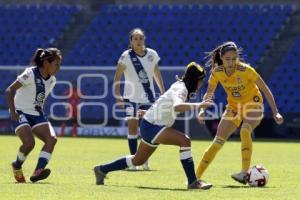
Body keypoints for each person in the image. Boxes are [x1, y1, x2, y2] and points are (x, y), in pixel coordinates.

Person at [94, 62, 213, 189]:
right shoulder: (182, 89)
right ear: (195, 80)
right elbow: (176, 106)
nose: (201, 84)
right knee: (185, 141)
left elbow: (163, 101)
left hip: (150, 124)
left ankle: (101, 169)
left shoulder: (179, 86)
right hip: (153, 126)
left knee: (137, 160)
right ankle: (193, 181)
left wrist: (150, 112)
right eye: (201, 80)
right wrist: (199, 105)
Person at [196, 41, 284, 185]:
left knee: (245, 130)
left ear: (237, 57)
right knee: (217, 142)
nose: (231, 62)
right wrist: (202, 110)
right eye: (227, 59)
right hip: (234, 107)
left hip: (253, 105)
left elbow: (266, 89)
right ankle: (195, 178)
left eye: (234, 58)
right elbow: (209, 93)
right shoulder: (217, 73)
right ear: (221, 58)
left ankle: (244, 173)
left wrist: (276, 112)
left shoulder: (246, 70)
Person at [5, 48, 62, 183]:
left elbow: (42, 98)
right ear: (47, 63)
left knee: (52, 139)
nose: (58, 68)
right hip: (20, 111)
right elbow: (9, 90)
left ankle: (38, 172)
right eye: (56, 64)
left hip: (37, 114)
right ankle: (17, 165)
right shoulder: (30, 73)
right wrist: (13, 112)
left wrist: (41, 114)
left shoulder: (52, 80)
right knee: (29, 143)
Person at [113, 28, 165, 170]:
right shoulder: (126, 56)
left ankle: (144, 160)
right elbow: (117, 77)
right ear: (130, 41)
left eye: (140, 38)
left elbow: (157, 74)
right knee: (132, 129)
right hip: (130, 98)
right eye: (135, 38)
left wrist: (163, 92)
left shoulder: (152, 54)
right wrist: (118, 96)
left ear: (144, 39)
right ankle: (133, 162)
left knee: (148, 130)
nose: (138, 40)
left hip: (148, 98)